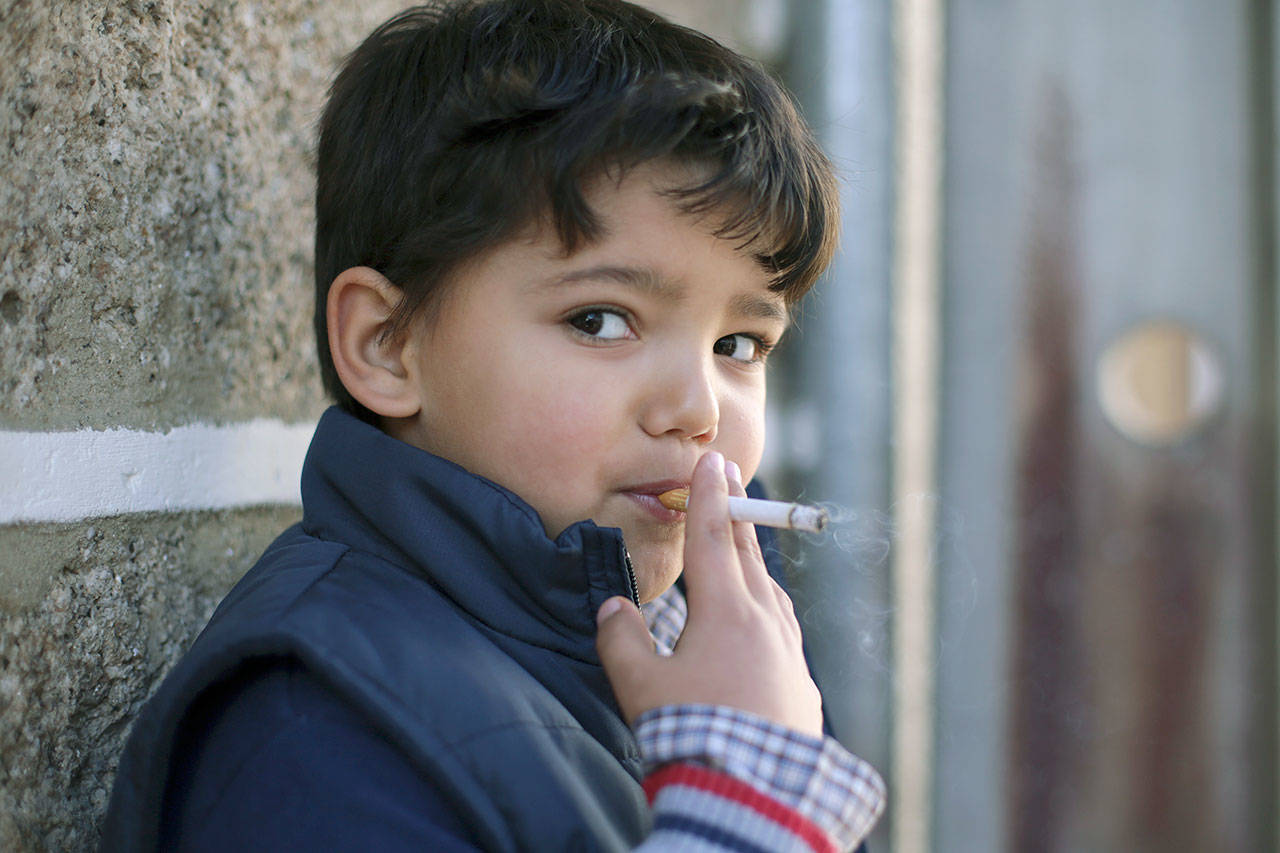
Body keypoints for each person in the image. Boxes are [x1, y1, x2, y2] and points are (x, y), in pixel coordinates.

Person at [102, 1, 886, 850]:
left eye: (739, 342)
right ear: (388, 344)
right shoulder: (315, 739)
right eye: (600, 320)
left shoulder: (725, 633)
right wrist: (742, 799)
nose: (698, 411)